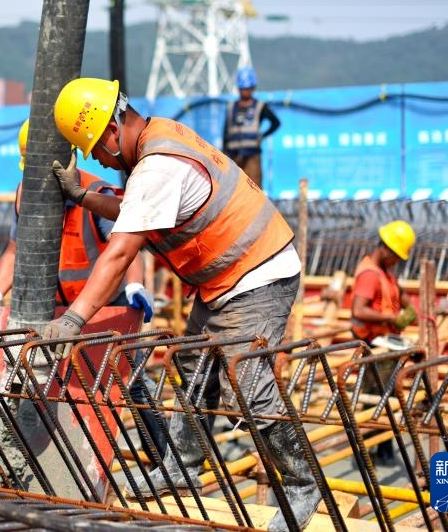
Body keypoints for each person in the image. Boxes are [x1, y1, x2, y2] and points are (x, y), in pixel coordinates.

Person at [48, 77, 315, 532]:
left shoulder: (158, 166)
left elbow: (120, 253)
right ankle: (181, 469)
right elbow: (136, 208)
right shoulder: (158, 138)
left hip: (259, 270)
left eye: (95, 150)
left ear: (112, 130)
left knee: (248, 384)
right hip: (226, 277)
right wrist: (83, 197)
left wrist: (74, 320)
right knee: (194, 371)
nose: (97, 161)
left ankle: (302, 484)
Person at [0, 121, 154, 323]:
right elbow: (16, 251)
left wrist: (134, 285)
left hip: (104, 307)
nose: (40, 180)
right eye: (34, 172)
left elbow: (124, 249)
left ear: (68, 161)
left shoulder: (98, 194)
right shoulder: (26, 197)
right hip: (55, 308)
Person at [350, 220, 418, 463]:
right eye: (396, 257)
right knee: (375, 399)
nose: (397, 262)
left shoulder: (384, 273)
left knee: (385, 396)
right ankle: (365, 453)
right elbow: (358, 310)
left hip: (384, 344)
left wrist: (411, 310)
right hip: (372, 345)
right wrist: (392, 318)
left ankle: (384, 447)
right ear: (386, 249)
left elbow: (401, 295)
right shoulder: (370, 274)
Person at [222, 66, 280, 189]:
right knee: (233, 189)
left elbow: (276, 123)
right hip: (233, 156)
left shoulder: (260, 106)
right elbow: (226, 132)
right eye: (243, 89)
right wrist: (224, 153)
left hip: (252, 156)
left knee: (254, 189)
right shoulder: (231, 107)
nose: (245, 91)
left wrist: (262, 136)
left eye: (248, 88)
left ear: (253, 88)